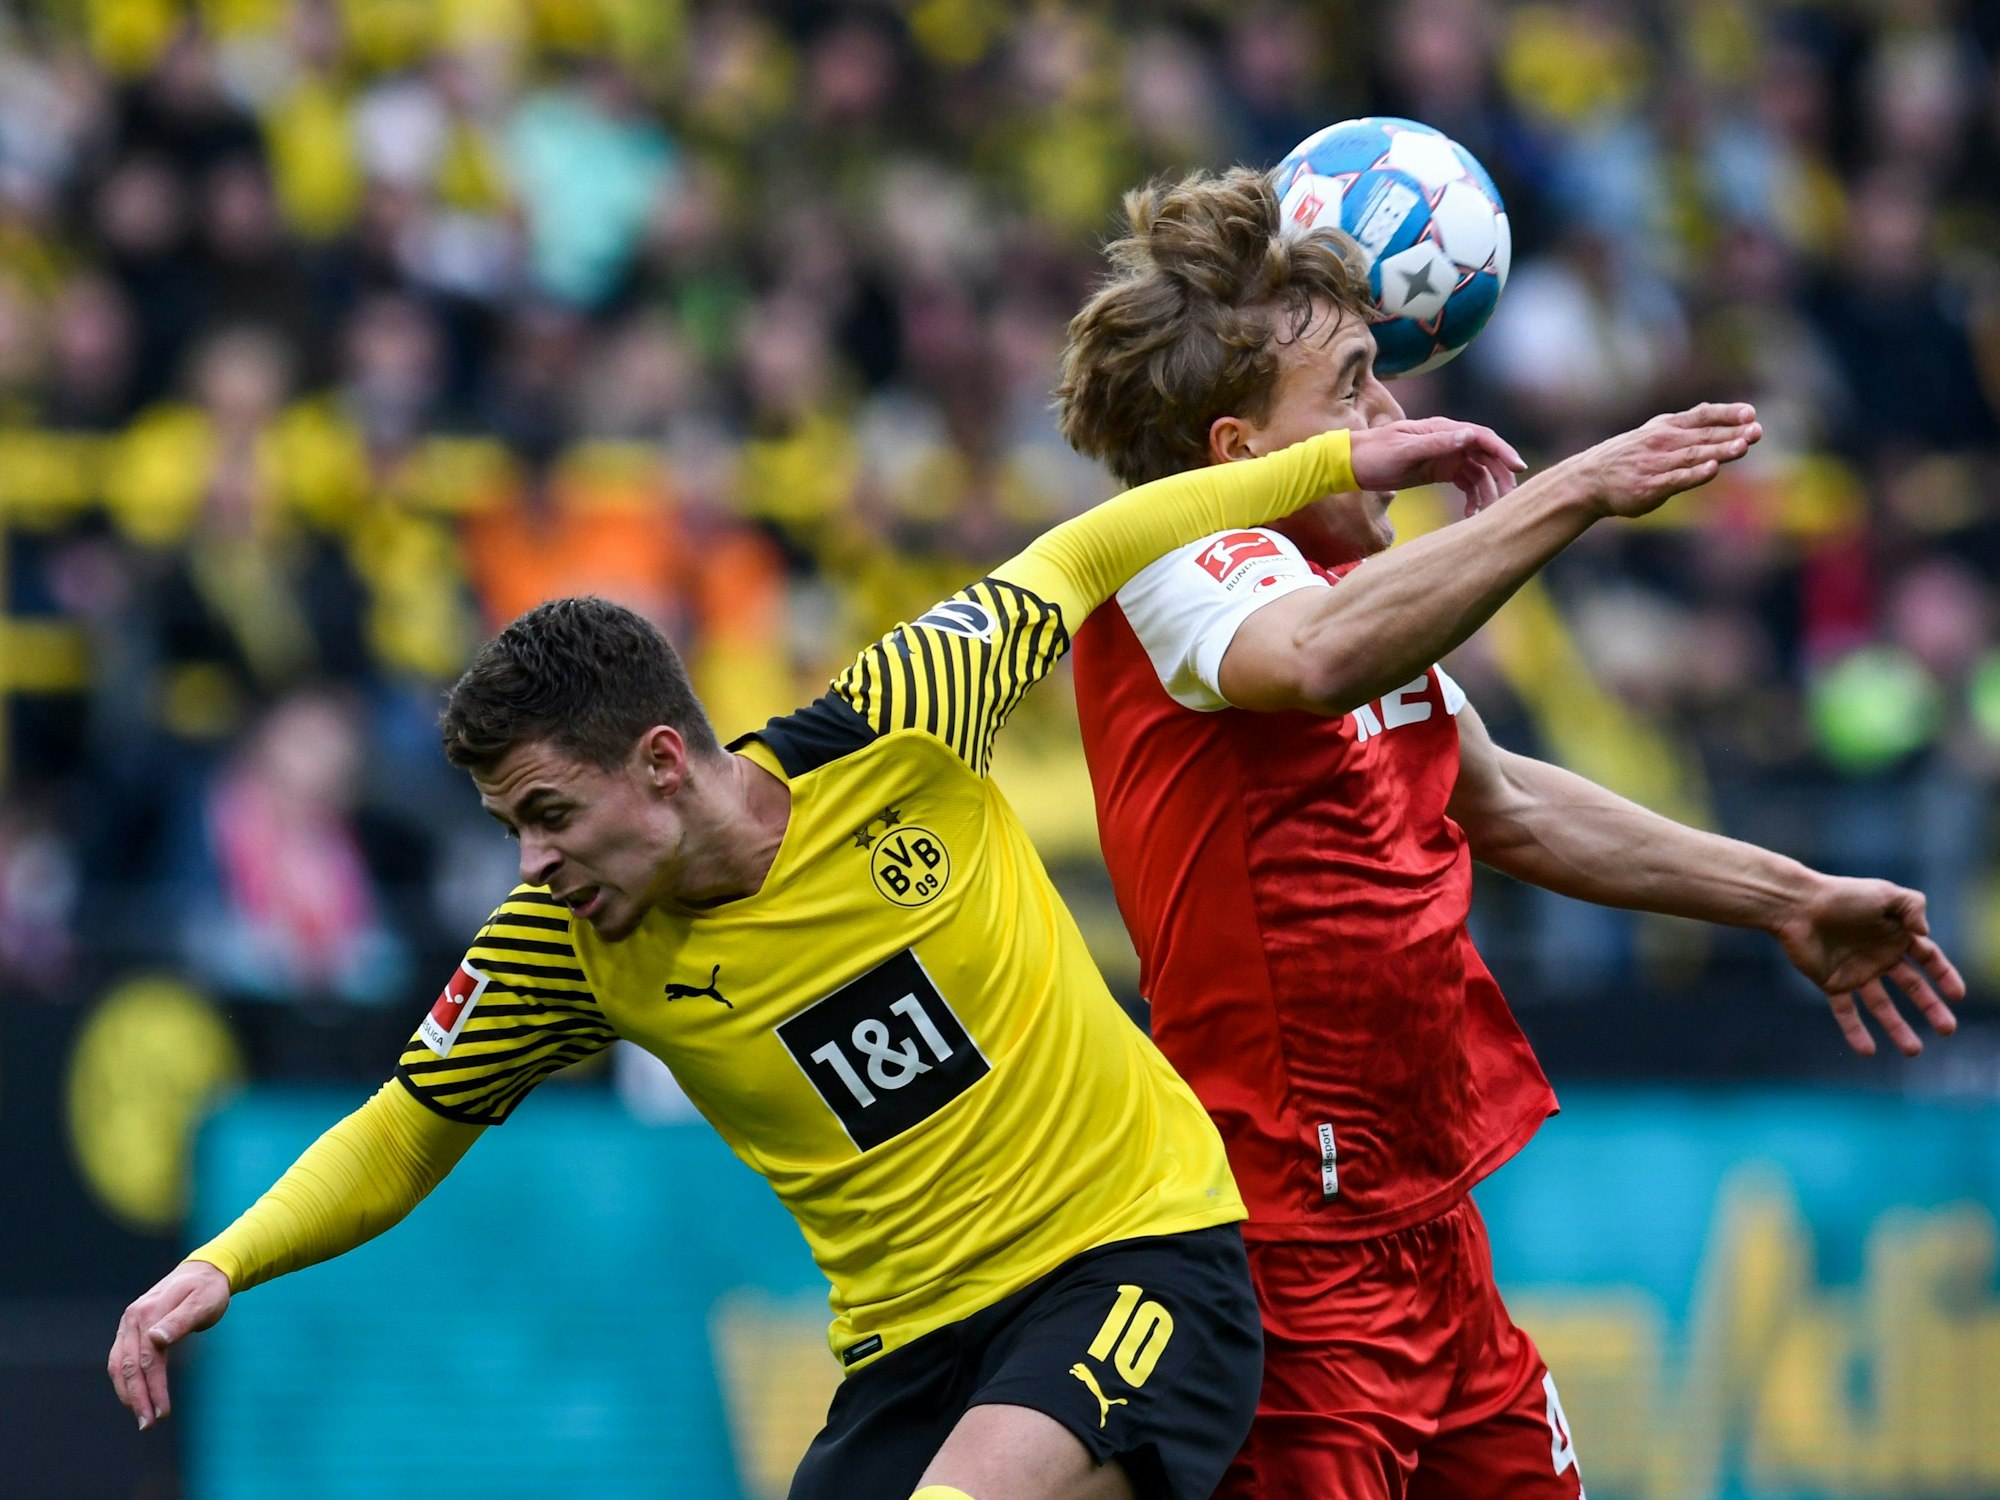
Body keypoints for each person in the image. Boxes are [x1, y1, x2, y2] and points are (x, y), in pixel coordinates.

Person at [108, 416, 1524, 1500]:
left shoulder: (899, 719)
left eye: (548, 816)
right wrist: (223, 1267)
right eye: (508, 829)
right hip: (912, 1355)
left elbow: (1095, 547)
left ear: (663, 763)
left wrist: (1352, 453)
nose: (530, 863)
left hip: (1140, 1263)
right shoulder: (563, 946)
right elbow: (405, 1132)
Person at [1053, 167, 1964, 1500]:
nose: (1394, 417)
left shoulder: (1350, 587)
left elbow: (1505, 799)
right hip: (1285, 1263)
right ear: (1243, 454)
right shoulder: (1169, 564)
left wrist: (1785, 896)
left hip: (1429, 1239)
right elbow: (1305, 660)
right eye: (1358, 386)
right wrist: (1580, 487)